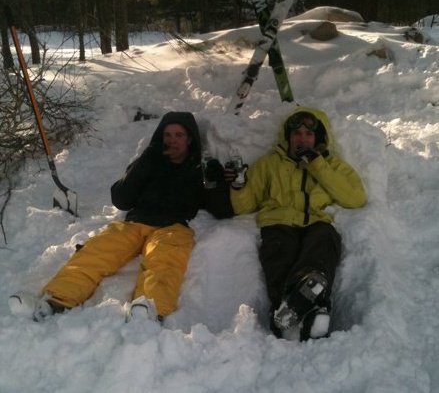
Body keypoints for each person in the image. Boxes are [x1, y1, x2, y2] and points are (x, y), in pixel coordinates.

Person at [9, 111, 233, 322]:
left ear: (190, 139)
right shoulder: (149, 160)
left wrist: (216, 183)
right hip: (134, 223)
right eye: (167, 135)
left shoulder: (201, 168)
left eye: (179, 135)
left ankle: (151, 309)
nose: (172, 140)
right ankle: (55, 301)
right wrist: (146, 161)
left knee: (163, 262)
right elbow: (121, 199)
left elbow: (223, 211)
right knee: (96, 252)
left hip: (173, 227)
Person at [227, 107, 367, 341]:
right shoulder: (270, 164)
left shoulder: (331, 165)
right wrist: (239, 187)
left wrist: (317, 165)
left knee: (324, 243)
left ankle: (289, 310)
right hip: (278, 223)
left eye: (308, 135)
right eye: (297, 134)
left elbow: (355, 198)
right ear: (288, 137)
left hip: (316, 222)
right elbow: (244, 206)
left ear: (318, 138)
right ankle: (313, 310)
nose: (302, 139)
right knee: (280, 256)